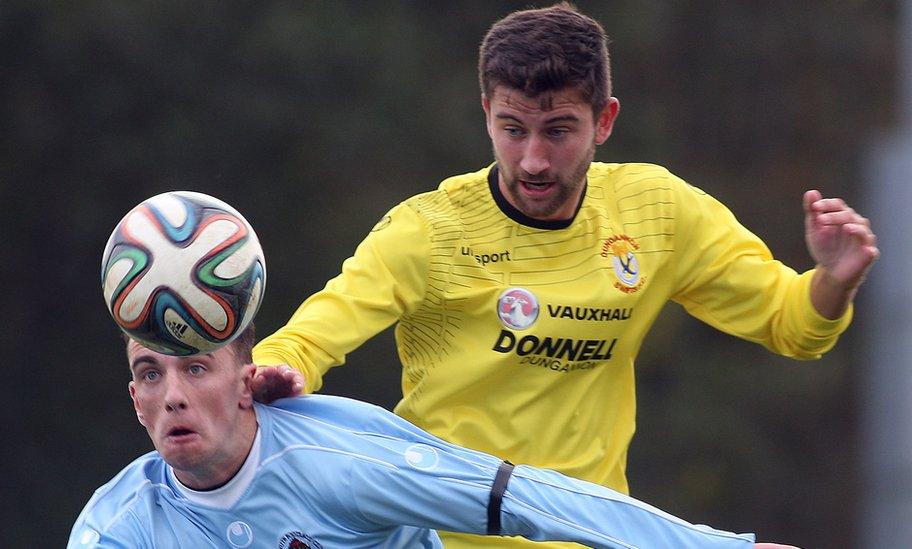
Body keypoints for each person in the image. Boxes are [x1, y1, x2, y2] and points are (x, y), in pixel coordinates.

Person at [250, 3, 879, 549]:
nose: (533, 160)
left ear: (604, 120)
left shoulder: (657, 213)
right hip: (445, 539)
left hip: (592, 536)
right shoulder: (429, 232)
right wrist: (280, 370)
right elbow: (308, 339)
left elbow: (794, 325)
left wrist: (834, 279)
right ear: (486, 113)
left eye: (559, 131)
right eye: (512, 129)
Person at [69, 325, 797, 548]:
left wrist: (713, 548)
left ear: (241, 379)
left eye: (195, 367)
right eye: (150, 374)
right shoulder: (117, 527)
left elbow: (521, 497)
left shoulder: (337, 459)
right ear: (134, 400)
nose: (173, 395)